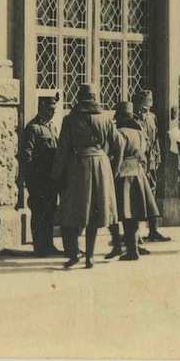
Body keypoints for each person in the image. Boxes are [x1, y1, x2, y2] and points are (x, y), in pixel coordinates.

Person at [52, 84, 122, 269]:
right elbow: (119, 145)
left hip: (78, 166)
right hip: (101, 165)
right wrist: (113, 169)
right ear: (94, 98)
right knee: (95, 214)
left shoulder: (70, 119)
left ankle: (74, 252)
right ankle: (90, 257)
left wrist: (56, 174)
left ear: (79, 97)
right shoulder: (105, 118)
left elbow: (62, 149)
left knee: (73, 211)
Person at [106, 102, 160, 261]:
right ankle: (133, 248)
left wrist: (112, 173)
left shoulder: (119, 133)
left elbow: (116, 156)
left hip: (123, 175)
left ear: (121, 118)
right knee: (134, 215)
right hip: (138, 174)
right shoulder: (140, 133)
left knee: (119, 212)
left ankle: (123, 247)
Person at [17, 93, 62, 257]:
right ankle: (39, 247)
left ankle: (48, 244)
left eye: (54, 109)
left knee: (49, 212)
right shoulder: (33, 128)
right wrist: (30, 180)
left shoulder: (52, 127)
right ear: (41, 107)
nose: (53, 112)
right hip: (38, 179)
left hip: (51, 179)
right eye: (50, 109)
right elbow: (26, 155)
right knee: (38, 212)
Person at [134, 90, 171, 243]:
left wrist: (157, 158)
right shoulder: (134, 120)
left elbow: (155, 140)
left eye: (149, 102)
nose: (147, 107)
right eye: (145, 103)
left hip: (151, 161)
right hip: (139, 161)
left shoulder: (152, 118)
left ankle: (153, 230)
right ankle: (135, 234)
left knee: (152, 193)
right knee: (137, 194)